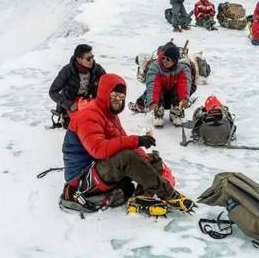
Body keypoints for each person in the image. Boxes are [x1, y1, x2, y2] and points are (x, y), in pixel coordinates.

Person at [60, 73, 195, 213]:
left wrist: (143, 156)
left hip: (99, 166)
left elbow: (121, 139)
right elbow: (98, 149)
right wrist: (136, 140)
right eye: (114, 96)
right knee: (128, 157)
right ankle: (169, 195)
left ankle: (141, 197)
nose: (117, 100)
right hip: (83, 177)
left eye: (121, 97)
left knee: (152, 159)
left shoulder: (110, 115)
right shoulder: (89, 115)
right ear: (104, 93)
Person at [49, 44, 106, 128]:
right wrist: (69, 105)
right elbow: (53, 92)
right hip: (72, 102)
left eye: (92, 57)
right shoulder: (67, 70)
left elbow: (106, 83)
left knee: (99, 122)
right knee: (78, 125)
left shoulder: (96, 68)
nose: (92, 61)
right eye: (88, 58)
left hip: (89, 100)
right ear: (79, 59)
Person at [145, 42, 193, 127]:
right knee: (158, 91)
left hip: (173, 92)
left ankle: (176, 112)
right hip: (161, 92)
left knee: (178, 91)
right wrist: (153, 101)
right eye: (163, 58)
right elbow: (153, 84)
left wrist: (184, 99)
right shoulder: (156, 67)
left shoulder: (182, 68)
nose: (164, 61)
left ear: (174, 61)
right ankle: (158, 113)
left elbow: (184, 83)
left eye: (168, 60)